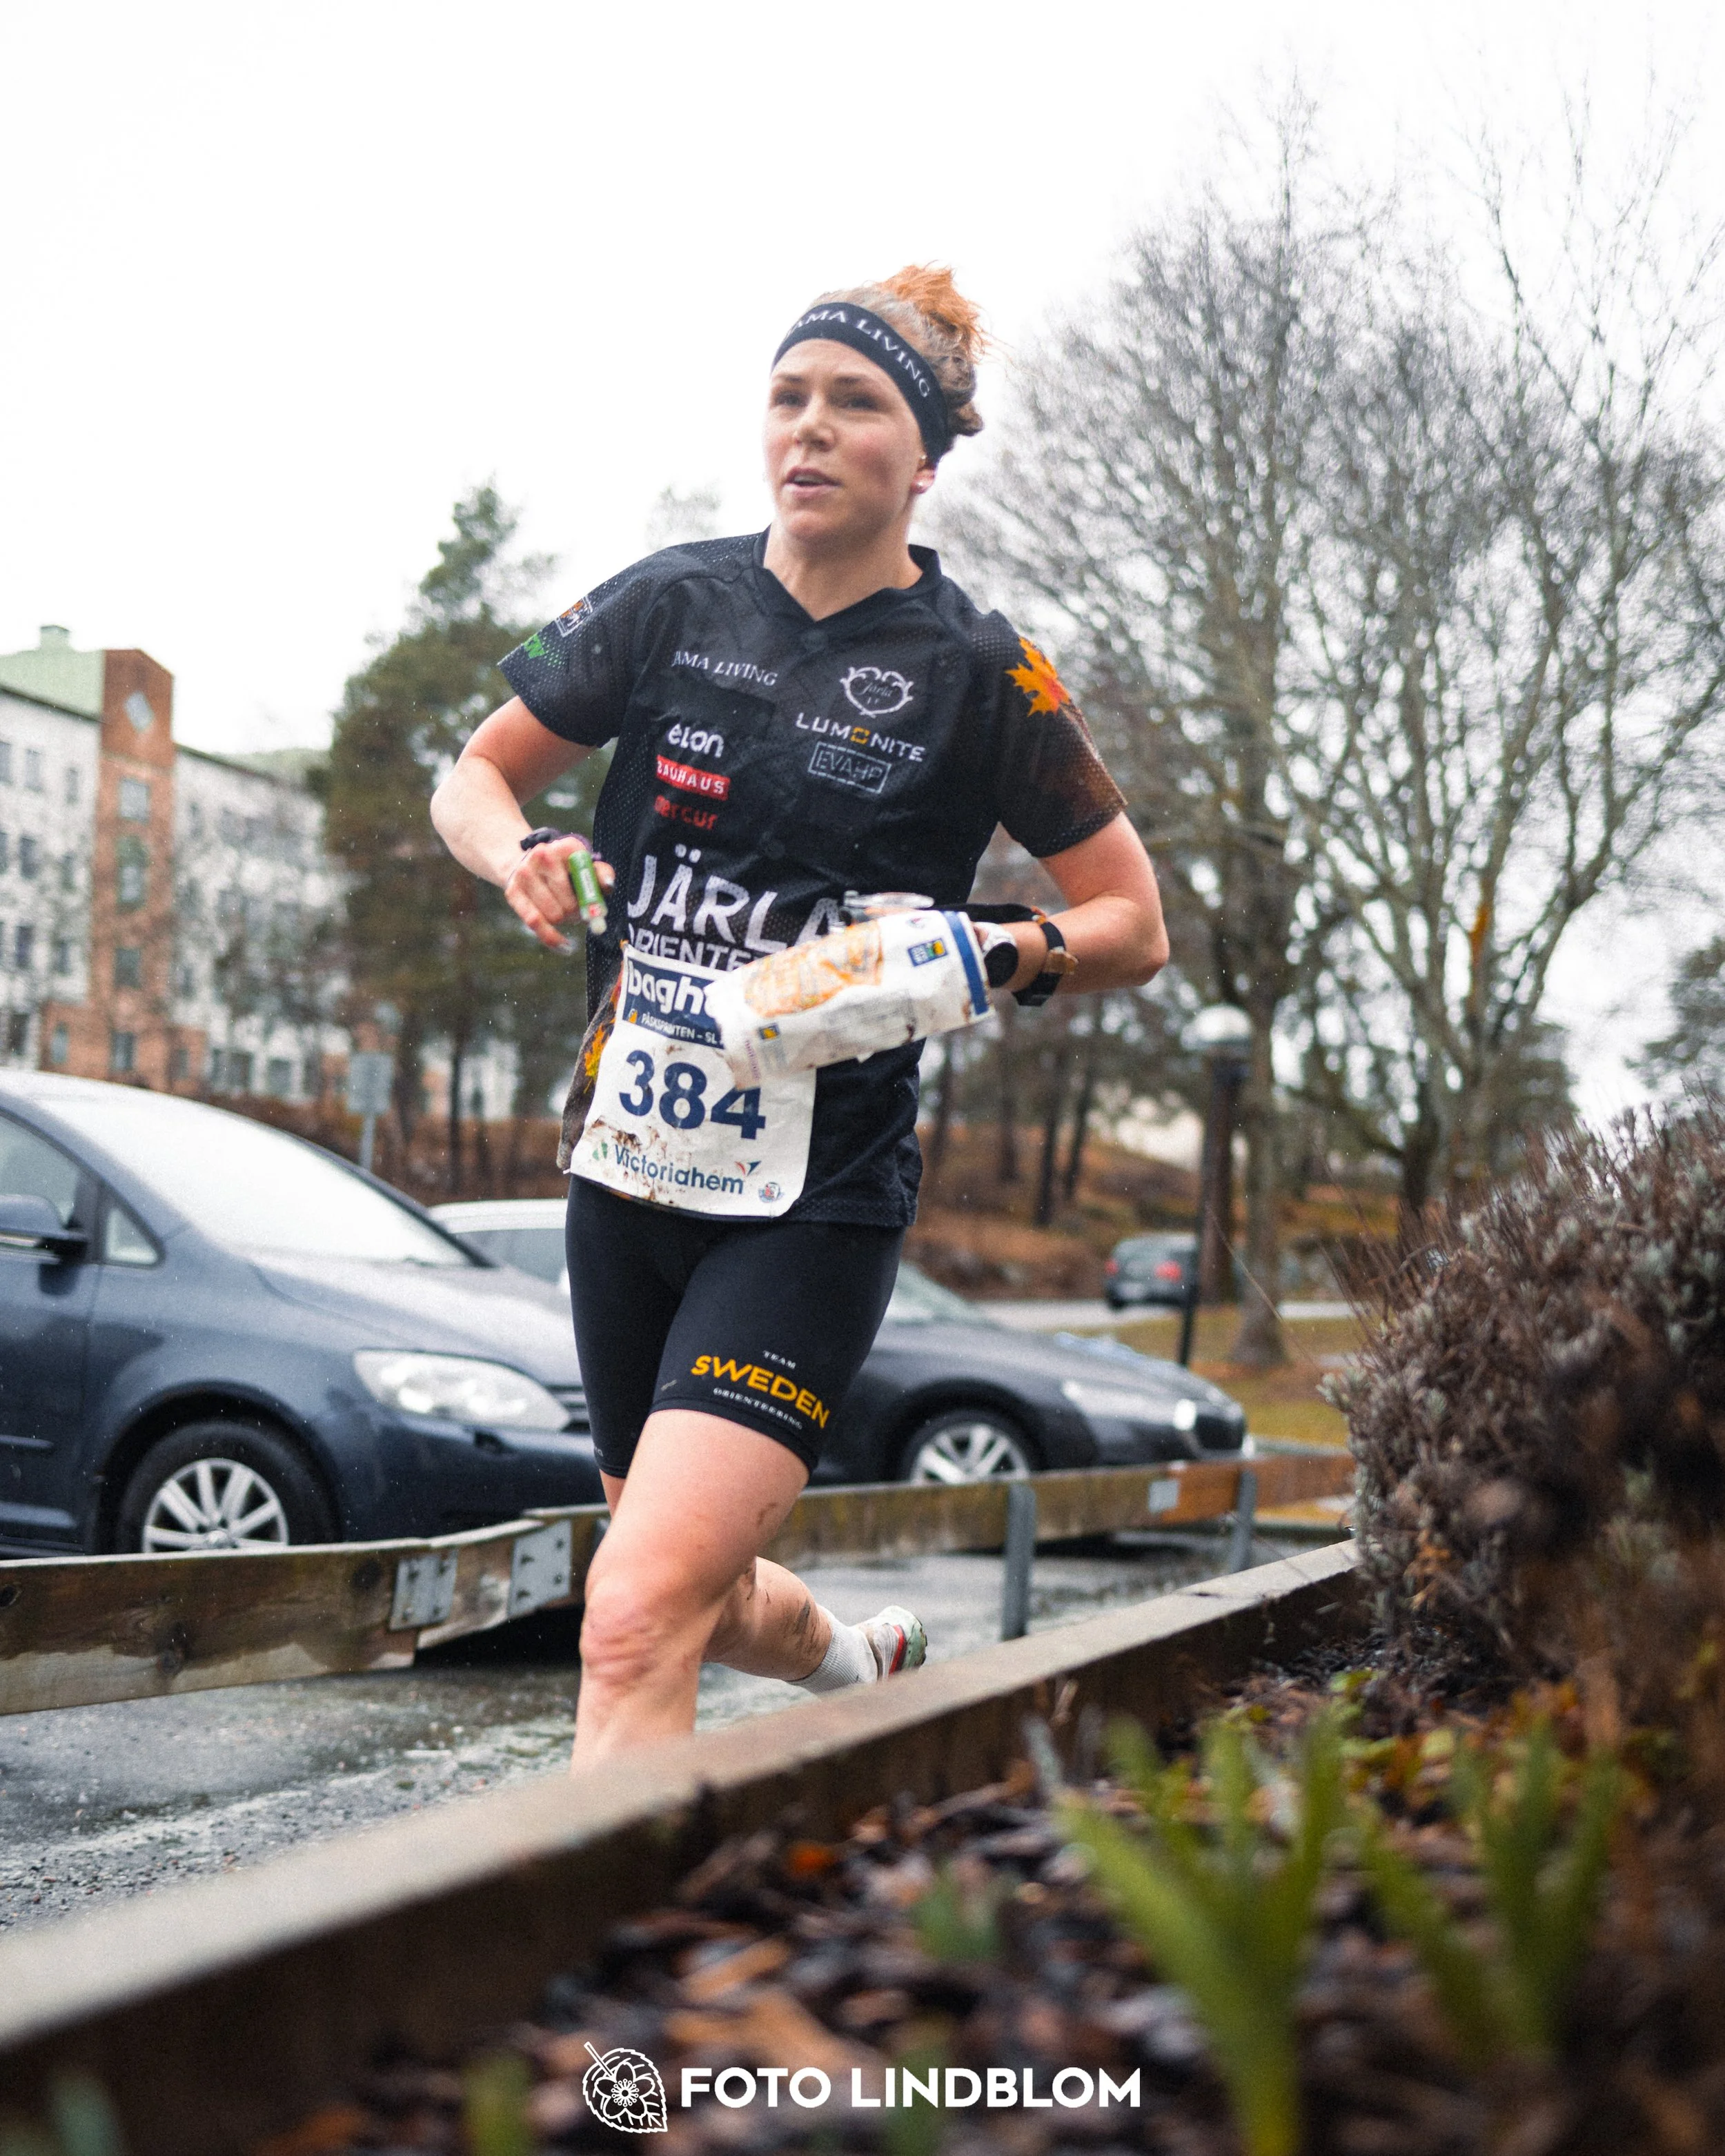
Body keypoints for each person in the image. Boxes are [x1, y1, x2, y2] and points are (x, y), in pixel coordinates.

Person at [431, 266, 1169, 1767]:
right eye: (789, 398)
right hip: (625, 1156)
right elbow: (474, 773)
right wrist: (522, 855)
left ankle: (605, 2001)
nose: (810, 430)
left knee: (631, 1609)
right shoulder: (666, 602)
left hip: (809, 1198)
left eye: (856, 403)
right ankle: (849, 1654)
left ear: (927, 454)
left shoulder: (981, 669)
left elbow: (1129, 924)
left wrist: (985, 953)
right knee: (673, 1571)